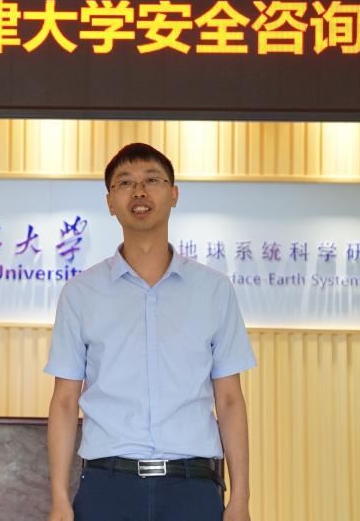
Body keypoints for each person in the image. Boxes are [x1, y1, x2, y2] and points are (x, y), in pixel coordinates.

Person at [45, 143, 256, 521]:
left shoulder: (214, 290)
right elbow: (64, 400)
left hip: (192, 488)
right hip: (108, 487)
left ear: (174, 194)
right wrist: (59, 499)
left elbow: (229, 399)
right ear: (110, 202)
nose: (139, 191)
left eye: (152, 180)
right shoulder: (81, 293)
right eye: (125, 183)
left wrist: (240, 497)